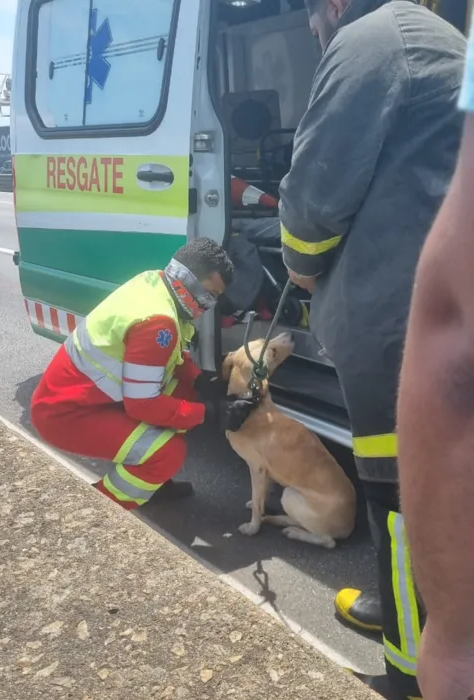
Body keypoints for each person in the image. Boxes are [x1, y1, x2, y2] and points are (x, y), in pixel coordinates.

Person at [279, 1, 466, 698]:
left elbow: (312, 207)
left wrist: (298, 262)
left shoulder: (368, 41)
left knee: (400, 509)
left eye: (307, 11)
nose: (307, 27)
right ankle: (415, 619)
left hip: (402, 333)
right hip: (436, 315)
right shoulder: (441, 37)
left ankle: (408, 670)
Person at [31, 238, 236, 510]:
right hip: (65, 416)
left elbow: (170, 357)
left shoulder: (154, 283)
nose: (210, 304)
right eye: (210, 294)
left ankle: (152, 482)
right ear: (189, 280)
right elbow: (143, 405)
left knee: (185, 391)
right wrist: (210, 413)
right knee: (168, 453)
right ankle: (101, 511)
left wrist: (200, 379)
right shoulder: (158, 323)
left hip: (83, 400)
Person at [397, 17, 474, 700]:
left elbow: (457, 337)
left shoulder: (363, 52)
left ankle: (400, 641)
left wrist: (454, 646)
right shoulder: (435, 41)